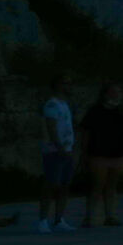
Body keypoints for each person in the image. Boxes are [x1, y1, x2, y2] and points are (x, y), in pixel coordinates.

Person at [75, 84, 123, 227]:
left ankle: (110, 216)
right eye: (113, 92)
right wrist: (84, 152)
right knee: (97, 185)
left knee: (112, 185)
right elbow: (86, 132)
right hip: (99, 154)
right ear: (105, 94)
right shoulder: (95, 111)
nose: (116, 95)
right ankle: (90, 217)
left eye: (118, 92)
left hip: (119, 154)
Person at [38, 83, 78, 233]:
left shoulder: (65, 104)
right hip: (54, 150)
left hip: (67, 149)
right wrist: (59, 147)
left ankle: (59, 219)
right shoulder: (52, 105)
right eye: (66, 82)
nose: (70, 86)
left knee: (65, 185)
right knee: (51, 185)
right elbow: (51, 127)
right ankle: (43, 220)